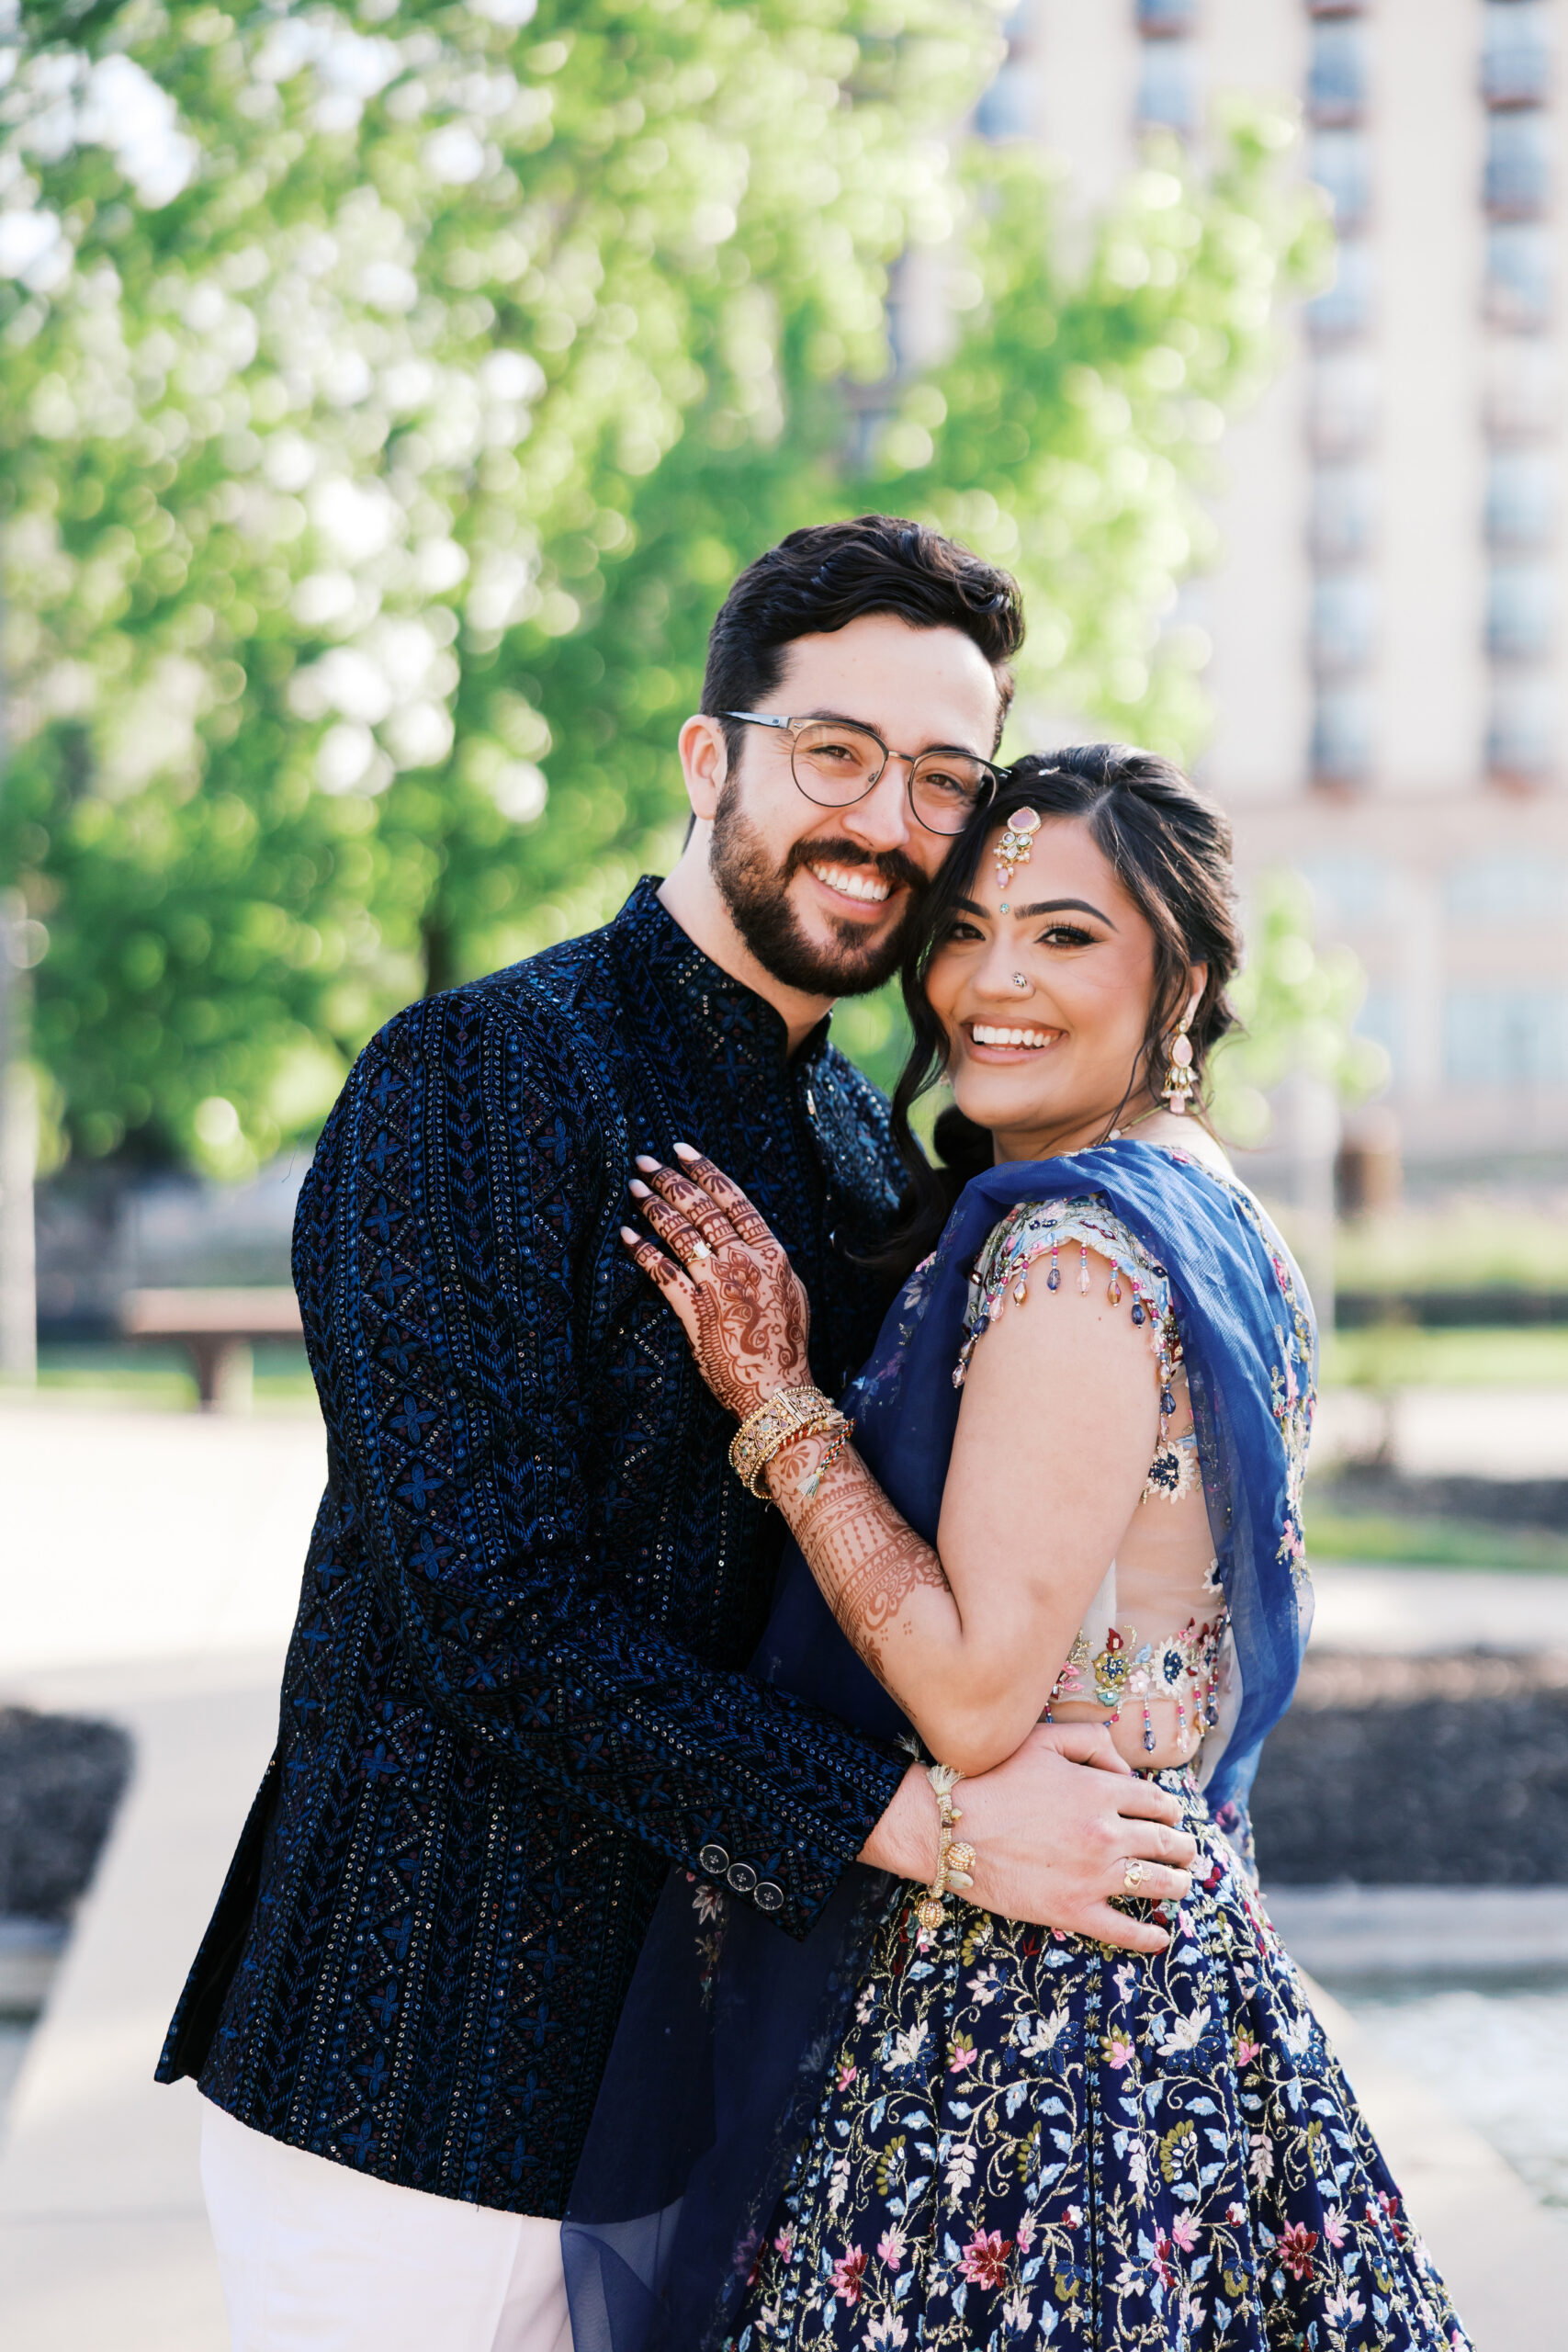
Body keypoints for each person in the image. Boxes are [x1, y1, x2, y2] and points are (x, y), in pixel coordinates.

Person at [156, 521, 1201, 2352]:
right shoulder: (478, 1076)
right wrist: (941, 1828)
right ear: (710, 755)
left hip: (698, 2089)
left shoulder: (866, 1145)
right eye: (834, 753)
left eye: (940, 779)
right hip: (417, 2078)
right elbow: (496, 1614)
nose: (883, 819)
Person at [612, 748, 1471, 2351]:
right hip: (1171, 1962)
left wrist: (777, 1401)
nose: (992, 981)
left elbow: (975, 1694)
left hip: (1029, 2029)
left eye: (1066, 935)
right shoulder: (1214, 1210)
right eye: (964, 929)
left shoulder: (1077, 1250)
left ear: (1184, 974)